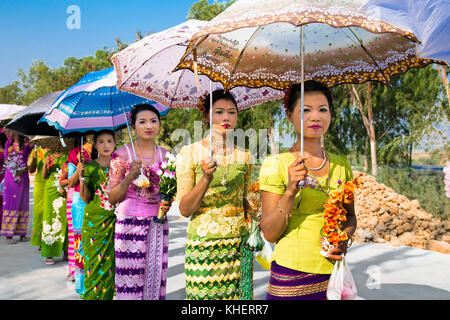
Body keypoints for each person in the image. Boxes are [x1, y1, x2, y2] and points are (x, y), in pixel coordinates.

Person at [258, 80, 357, 300]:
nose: (315, 116)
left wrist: (344, 240)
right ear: (289, 115)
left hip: (333, 275)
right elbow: (269, 233)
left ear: (331, 114)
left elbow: (350, 217)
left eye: (323, 109)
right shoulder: (276, 164)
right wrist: (290, 191)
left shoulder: (342, 164)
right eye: (305, 110)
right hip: (291, 275)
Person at [176, 89, 254, 300]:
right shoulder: (189, 153)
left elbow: (245, 200)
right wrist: (205, 179)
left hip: (240, 247)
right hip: (205, 247)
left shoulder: (246, 155)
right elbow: (184, 209)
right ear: (206, 116)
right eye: (219, 112)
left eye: (232, 112)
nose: (226, 118)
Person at [107, 104, 172, 300]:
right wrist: (130, 176)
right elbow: (112, 197)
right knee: (129, 280)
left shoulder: (166, 155)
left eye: (153, 121)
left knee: (155, 278)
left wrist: (168, 200)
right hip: (129, 224)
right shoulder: (121, 155)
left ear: (159, 124)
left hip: (158, 223)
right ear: (133, 126)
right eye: (142, 122)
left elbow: (171, 191)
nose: (148, 126)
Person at [78, 130, 116, 300]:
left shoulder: (121, 166)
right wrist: (81, 177)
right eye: (101, 142)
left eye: (109, 141)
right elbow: (85, 198)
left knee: (111, 266)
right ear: (95, 145)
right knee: (93, 265)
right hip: (94, 224)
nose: (105, 145)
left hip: (116, 222)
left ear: (115, 143)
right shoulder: (90, 166)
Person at [67, 136, 92, 294]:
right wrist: (78, 166)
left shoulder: (107, 150)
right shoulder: (75, 153)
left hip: (101, 201)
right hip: (80, 201)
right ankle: (83, 287)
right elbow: (70, 182)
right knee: (81, 242)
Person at [1, 131, 32, 244]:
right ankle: (9, 234)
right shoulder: (8, 144)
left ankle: (21, 233)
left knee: (23, 204)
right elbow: (6, 160)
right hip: (11, 177)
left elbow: (32, 157)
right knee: (10, 204)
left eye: (11, 131)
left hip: (23, 177)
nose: (9, 133)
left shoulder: (27, 144)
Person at [40, 146, 69, 265]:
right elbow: (44, 176)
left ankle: (66, 250)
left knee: (65, 218)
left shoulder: (68, 154)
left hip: (64, 188)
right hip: (50, 191)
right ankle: (49, 252)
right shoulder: (48, 155)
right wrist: (46, 165)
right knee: (50, 219)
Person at [29, 145, 49, 250]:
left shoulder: (57, 150)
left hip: (53, 184)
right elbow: (31, 170)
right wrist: (34, 158)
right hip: (40, 186)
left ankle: (49, 241)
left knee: (50, 213)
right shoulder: (36, 150)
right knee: (39, 213)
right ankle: (40, 241)